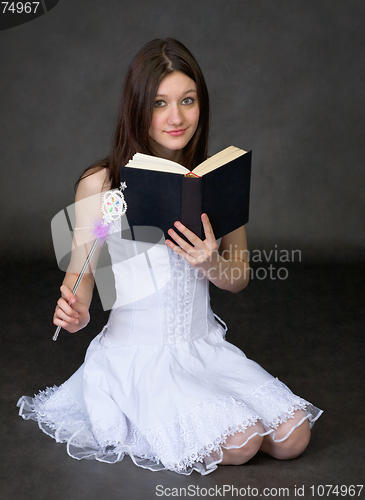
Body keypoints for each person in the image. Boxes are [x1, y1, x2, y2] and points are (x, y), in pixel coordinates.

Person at [17, 38, 322, 475]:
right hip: (138, 358)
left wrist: (210, 264)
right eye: (160, 103)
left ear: (202, 105)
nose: (176, 117)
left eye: (187, 100)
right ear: (137, 107)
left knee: (294, 438)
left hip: (203, 348)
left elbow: (238, 278)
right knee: (241, 442)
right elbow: (79, 274)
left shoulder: (214, 181)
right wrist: (76, 308)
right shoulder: (102, 184)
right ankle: (142, 417)